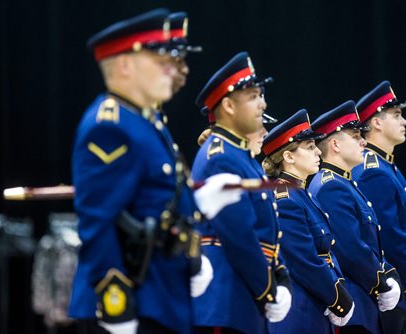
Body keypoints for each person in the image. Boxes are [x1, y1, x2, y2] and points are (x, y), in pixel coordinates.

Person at [69, 9, 242, 334]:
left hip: (160, 290)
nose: (172, 70)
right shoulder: (110, 125)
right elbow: (99, 220)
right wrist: (115, 300)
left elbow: (155, 198)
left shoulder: (145, 122)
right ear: (124, 65)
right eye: (160, 62)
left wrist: (198, 203)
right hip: (132, 300)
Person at [191, 52, 292, 333]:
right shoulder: (221, 156)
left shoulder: (240, 156)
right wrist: (267, 289)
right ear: (228, 105)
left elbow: (265, 229)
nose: (263, 103)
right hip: (227, 300)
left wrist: (279, 273)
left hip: (241, 296)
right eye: (253, 97)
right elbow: (239, 236)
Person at [308, 101, 402, 334]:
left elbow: (369, 244)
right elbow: (351, 250)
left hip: (365, 302)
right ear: (335, 144)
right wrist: (379, 281)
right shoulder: (331, 186)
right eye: (355, 135)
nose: (363, 141)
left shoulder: (344, 182)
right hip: (356, 305)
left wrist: (388, 271)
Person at [260, 109, 355, 333]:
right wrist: (336, 297)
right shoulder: (286, 198)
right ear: (289, 156)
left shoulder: (301, 193)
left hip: (314, 305)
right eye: (310, 148)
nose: (318, 153)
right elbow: (303, 260)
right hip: (299, 312)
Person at [352, 81, 406, 334]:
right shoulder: (372, 171)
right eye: (397, 115)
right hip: (388, 290)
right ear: (376, 122)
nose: (405, 122)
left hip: (400, 285)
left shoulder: (387, 167)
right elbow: (388, 236)